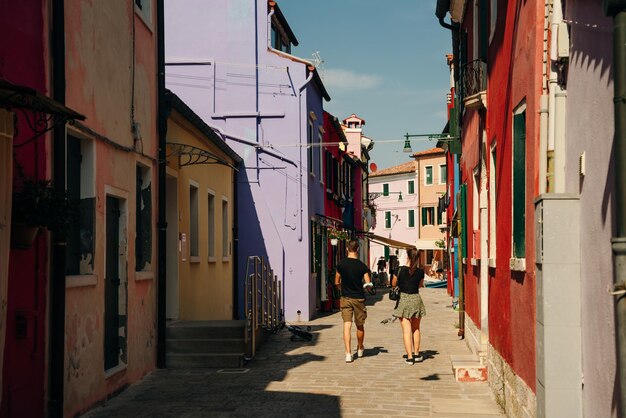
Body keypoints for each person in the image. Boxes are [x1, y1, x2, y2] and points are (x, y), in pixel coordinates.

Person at [335, 239, 373, 363]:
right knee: (359, 325)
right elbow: (368, 284)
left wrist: (341, 288)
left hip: (345, 297)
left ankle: (348, 353)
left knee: (347, 324)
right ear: (357, 249)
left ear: (347, 249)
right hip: (359, 298)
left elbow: (336, 282)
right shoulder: (362, 266)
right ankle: (360, 348)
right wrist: (367, 287)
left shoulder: (341, 264)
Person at [391, 248, 426, 365]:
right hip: (416, 299)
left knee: (406, 331)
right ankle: (416, 354)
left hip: (404, 299)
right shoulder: (421, 272)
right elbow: (420, 285)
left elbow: (393, 284)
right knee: (416, 329)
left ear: (407, 256)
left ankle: (409, 357)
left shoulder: (399, 270)